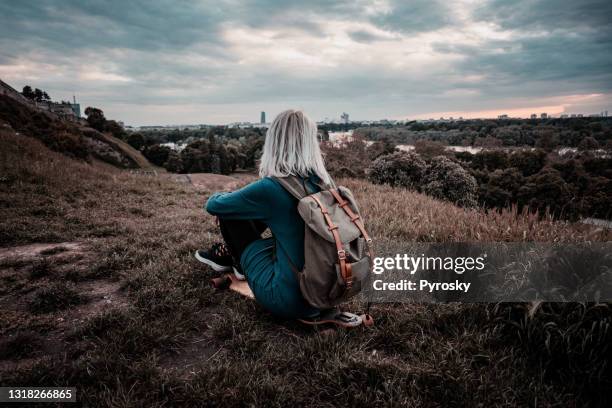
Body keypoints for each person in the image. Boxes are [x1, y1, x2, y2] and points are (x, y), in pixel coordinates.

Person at [195, 109, 332, 319]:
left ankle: (238, 263)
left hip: (289, 299)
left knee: (231, 211)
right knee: (264, 214)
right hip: (326, 291)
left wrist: (226, 194)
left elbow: (214, 205)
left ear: (274, 142)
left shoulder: (271, 188)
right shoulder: (323, 183)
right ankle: (231, 259)